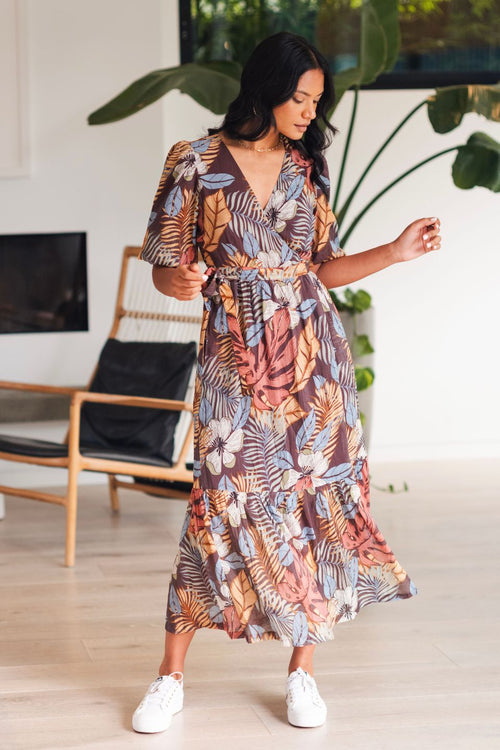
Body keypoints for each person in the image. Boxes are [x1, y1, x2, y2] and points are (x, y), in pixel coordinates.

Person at [132, 31, 441, 734]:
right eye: (300, 98)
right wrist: (176, 279)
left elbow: (319, 270)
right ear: (265, 87)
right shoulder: (195, 163)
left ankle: (303, 672)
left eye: (316, 101)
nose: (309, 112)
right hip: (233, 364)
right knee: (217, 502)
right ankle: (168, 677)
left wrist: (393, 252)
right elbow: (165, 259)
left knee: (313, 511)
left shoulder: (307, 173)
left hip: (315, 369)